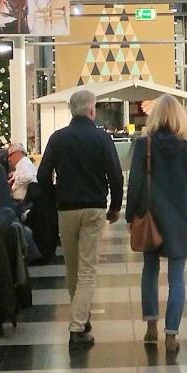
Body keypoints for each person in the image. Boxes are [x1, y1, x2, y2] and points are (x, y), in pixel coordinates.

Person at [36, 86, 123, 351]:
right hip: (94, 209)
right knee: (87, 270)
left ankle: (81, 318)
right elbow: (115, 175)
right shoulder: (102, 139)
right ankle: (77, 327)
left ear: (72, 110)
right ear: (92, 110)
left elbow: (42, 176)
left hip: (66, 209)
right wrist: (115, 206)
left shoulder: (58, 138)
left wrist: (55, 197)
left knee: (72, 268)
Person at [126, 96, 187, 356]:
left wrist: (130, 216)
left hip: (151, 216)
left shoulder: (144, 144)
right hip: (181, 217)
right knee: (177, 277)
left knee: (149, 270)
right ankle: (171, 335)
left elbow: (135, 182)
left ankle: (151, 327)